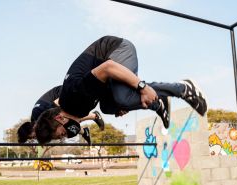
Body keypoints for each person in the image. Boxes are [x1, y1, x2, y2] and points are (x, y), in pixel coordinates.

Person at [36, 35, 207, 144]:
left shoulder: (75, 97)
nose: (65, 136)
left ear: (59, 118)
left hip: (116, 50)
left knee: (123, 98)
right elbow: (98, 86)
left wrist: (142, 87)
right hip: (106, 70)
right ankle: (158, 104)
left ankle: (183, 88)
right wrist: (117, 104)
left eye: (60, 134)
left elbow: (109, 67)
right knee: (109, 107)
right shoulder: (72, 107)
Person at [17, 85, 104, 144]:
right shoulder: (40, 126)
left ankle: (94, 116)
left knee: (67, 120)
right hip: (57, 105)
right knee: (66, 128)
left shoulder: (40, 115)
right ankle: (83, 131)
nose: (34, 139)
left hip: (60, 95)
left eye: (31, 137)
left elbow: (57, 104)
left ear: (32, 128)